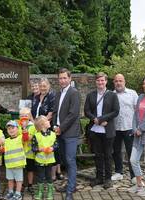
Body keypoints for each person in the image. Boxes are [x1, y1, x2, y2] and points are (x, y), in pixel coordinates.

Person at [84, 72, 119, 189]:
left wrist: (103, 119)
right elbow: (86, 110)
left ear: (106, 82)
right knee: (97, 155)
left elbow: (115, 111)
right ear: (96, 82)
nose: (100, 82)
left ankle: (108, 179)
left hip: (107, 130)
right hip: (94, 129)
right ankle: (99, 177)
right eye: (98, 80)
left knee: (108, 155)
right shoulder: (91, 95)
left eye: (102, 80)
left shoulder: (112, 95)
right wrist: (94, 119)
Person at [52, 68, 81, 200]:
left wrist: (61, 128)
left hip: (69, 133)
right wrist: (54, 126)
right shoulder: (58, 93)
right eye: (60, 78)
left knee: (70, 160)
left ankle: (70, 191)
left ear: (70, 79)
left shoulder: (74, 93)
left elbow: (73, 114)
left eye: (65, 78)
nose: (62, 80)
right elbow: (55, 112)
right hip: (59, 132)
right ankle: (71, 184)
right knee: (65, 160)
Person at [112, 74, 138, 182]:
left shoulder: (132, 93)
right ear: (114, 82)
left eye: (120, 81)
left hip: (129, 127)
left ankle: (134, 175)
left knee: (131, 152)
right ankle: (119, 172)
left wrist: (138, 126)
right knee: (116, 151)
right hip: (115, 127)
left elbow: (137, 110)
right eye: (116, 81)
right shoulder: (111, 94)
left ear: (124, 82)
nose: (118, 83)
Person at [32, 116, 58, 200]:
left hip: (49, 160)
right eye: (47, 120)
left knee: (49, 176)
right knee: (40, 177)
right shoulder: (36, 136)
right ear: (42, 125)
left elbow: (57, 145)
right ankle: (40, 192)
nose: (49, 121)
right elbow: (33, 148)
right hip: (40, 160)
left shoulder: (53, 134)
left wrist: (52, 148)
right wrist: (40, 149)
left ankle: (50, 192)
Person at [4, 120, 26, 200]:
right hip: (9, 165)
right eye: (9, 128)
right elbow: (2, 150)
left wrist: (24, 128)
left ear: (17, 129)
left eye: (13, 128)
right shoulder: (6, 141)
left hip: (18, 164)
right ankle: (10, 192)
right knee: (10, 179)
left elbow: (26, 137)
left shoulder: (20, 138)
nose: (11, 130)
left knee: (19, 180)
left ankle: (18, 193)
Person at [18, 107, 37, 194]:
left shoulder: (32, 127)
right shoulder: (17, 126)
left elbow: (28, 138)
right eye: (22, 116)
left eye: (26, 115)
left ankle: (30, 185)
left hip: (29, 153)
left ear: (29, 116)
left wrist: (24, 128)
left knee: (30, 170)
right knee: (20, 170)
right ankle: (21, 185)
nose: (24, 117)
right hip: (20, 153)